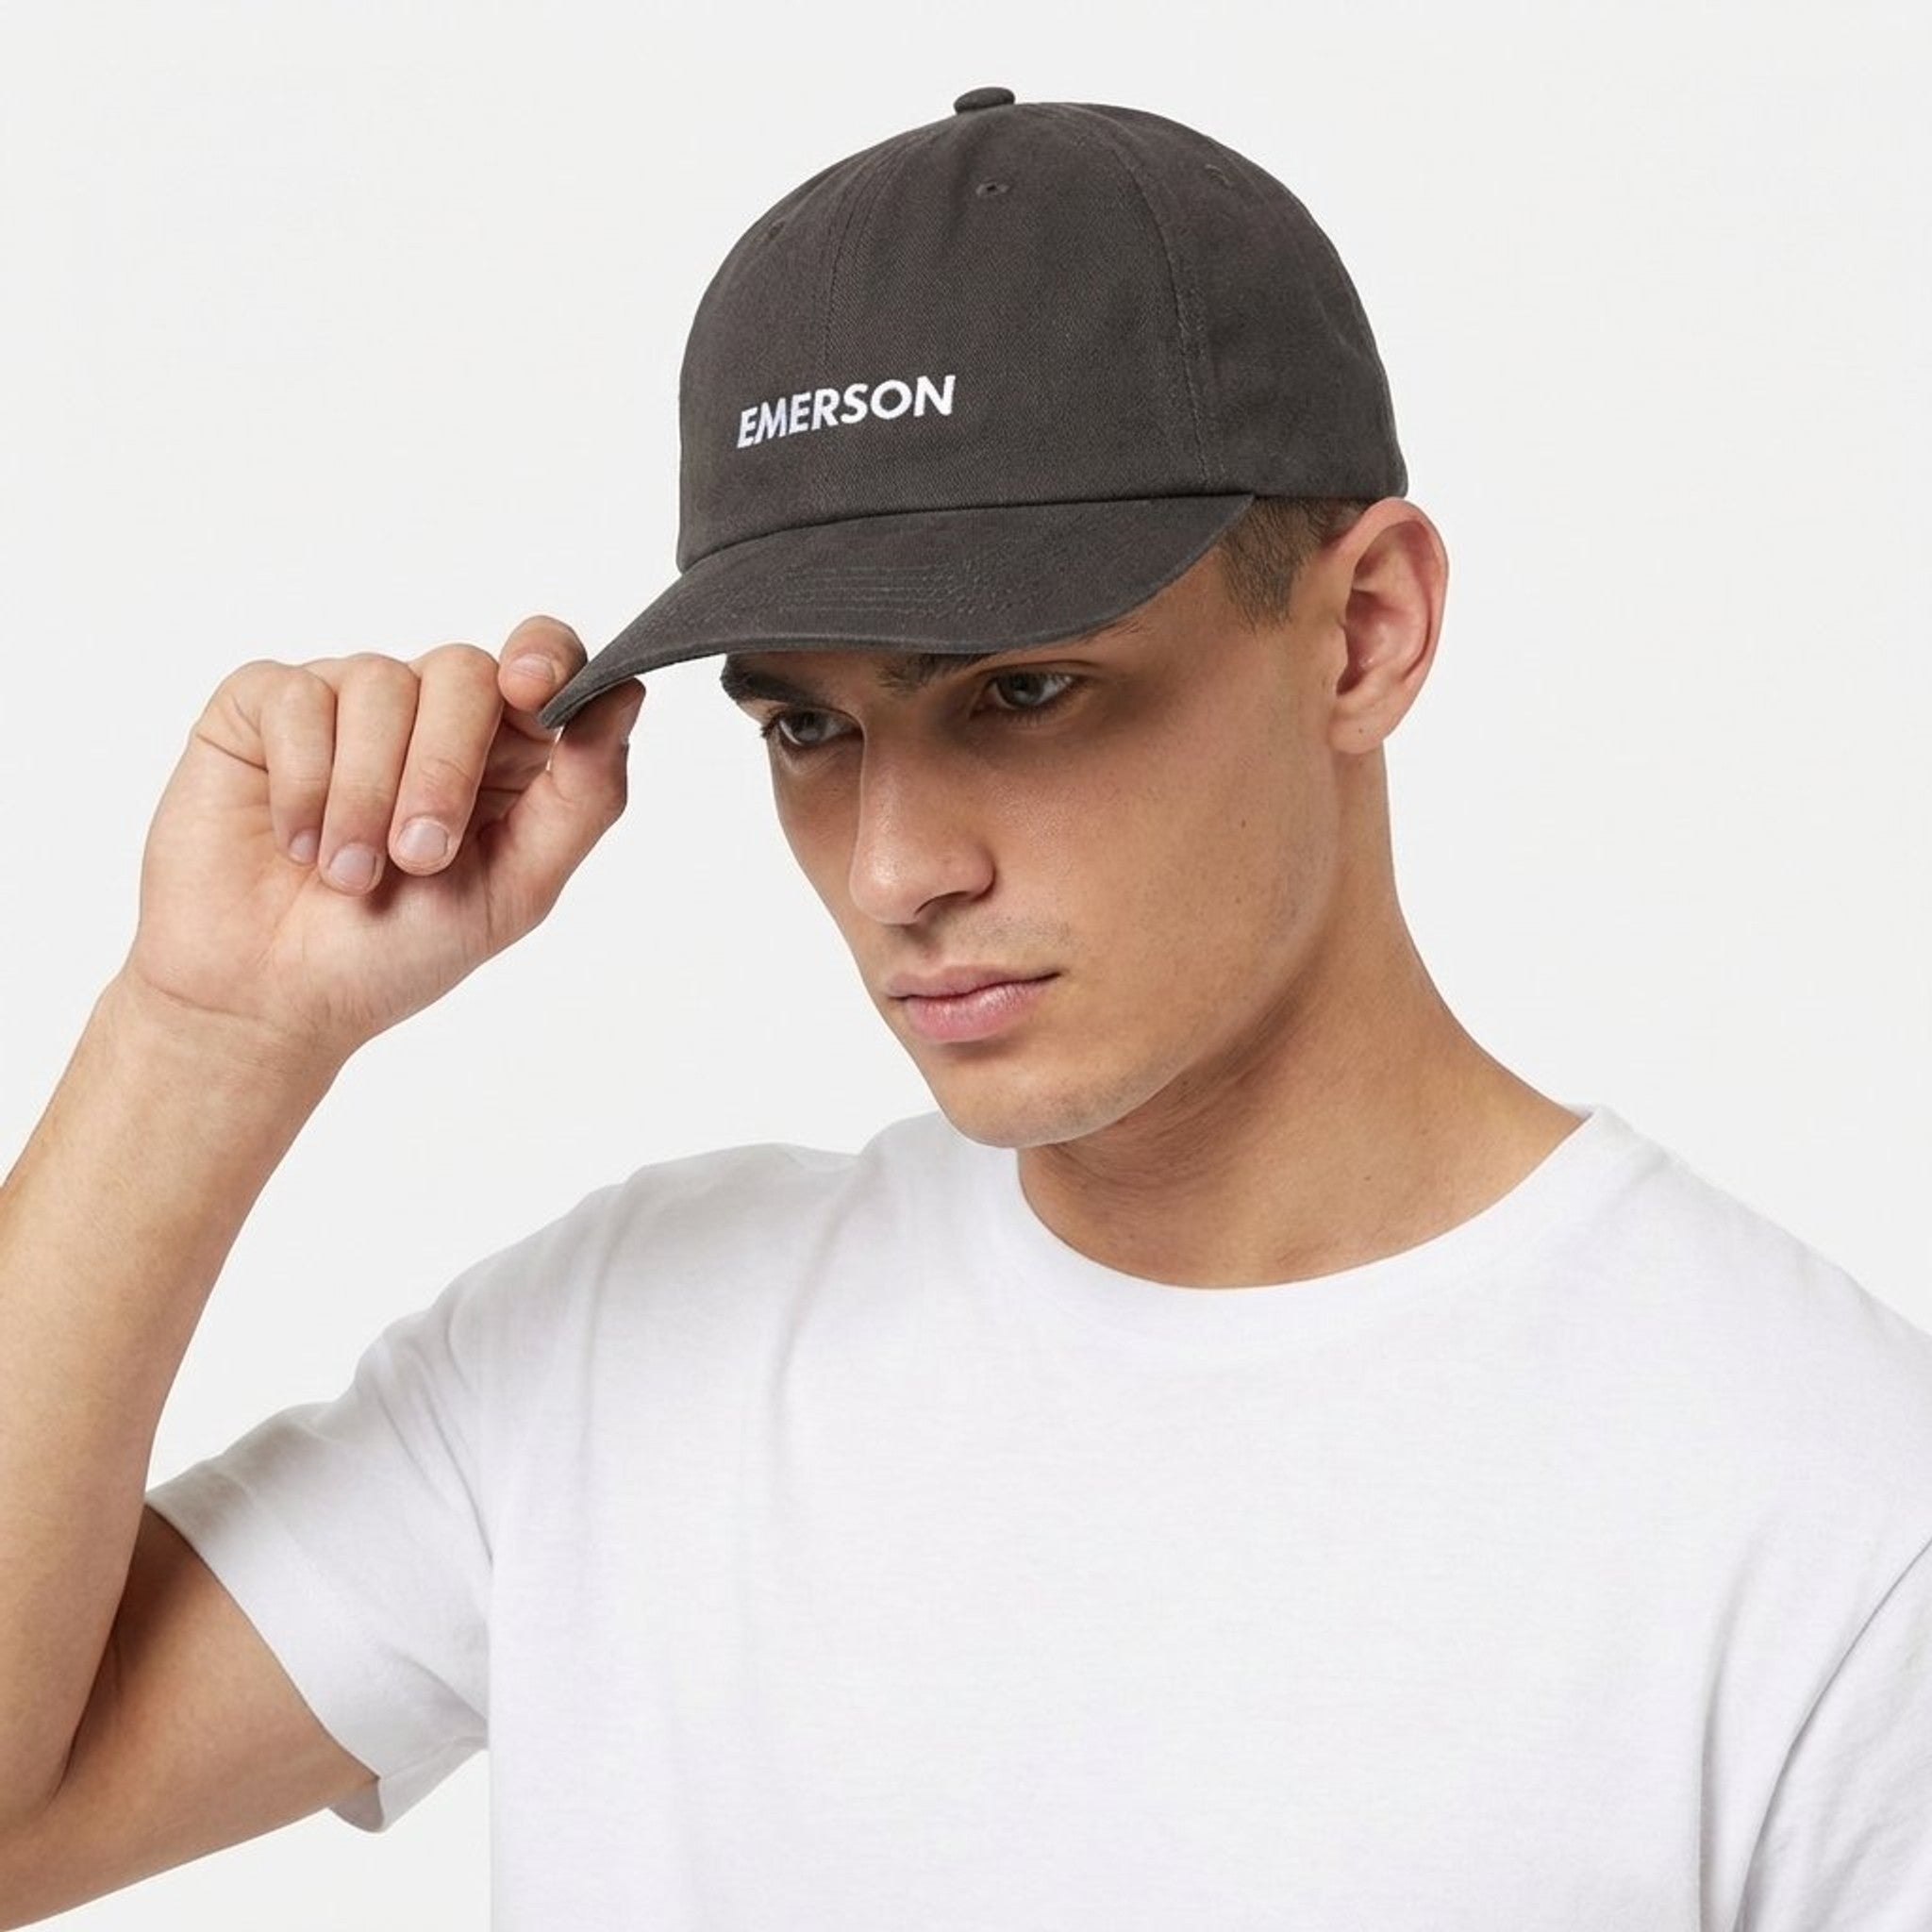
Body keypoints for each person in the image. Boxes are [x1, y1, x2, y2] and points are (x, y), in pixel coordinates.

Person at [1, 84, 1927, 1932]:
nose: (890, 868)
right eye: (807, 727)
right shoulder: (608, 1359)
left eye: (1021, 691)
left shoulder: (1823, 1512)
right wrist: (206, 1033)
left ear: (1363, 632)